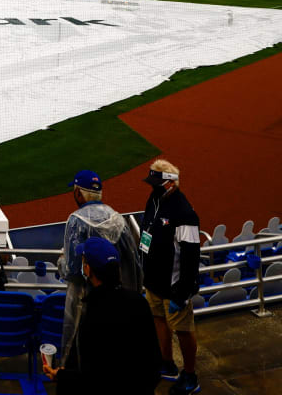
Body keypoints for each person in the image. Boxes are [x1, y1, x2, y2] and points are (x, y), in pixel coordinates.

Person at [43, 237, 162, 394]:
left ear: (88, 270)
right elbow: (153, 362)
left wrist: (61, 375)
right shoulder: (139, 302)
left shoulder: (92, 313)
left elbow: (94, 377)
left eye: (84, 262)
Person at [59, 170, 143, 357]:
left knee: (84, 349)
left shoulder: (75, 221)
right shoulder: (118, 219)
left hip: (86, 301)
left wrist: (60, 262)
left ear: (79, 193)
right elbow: (134, 263)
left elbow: (73, 270)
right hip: (116, 298)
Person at [140, 159, 202, 394]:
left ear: (170, 184)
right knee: (158, 319)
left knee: (183, 329)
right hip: (153, 279)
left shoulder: (184, 212)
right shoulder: (154, 200)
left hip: (174, 284)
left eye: (157, 183)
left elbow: (190, 253)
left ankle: (190, 374)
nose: (152, 187)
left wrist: (184, 290)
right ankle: (166, 362)